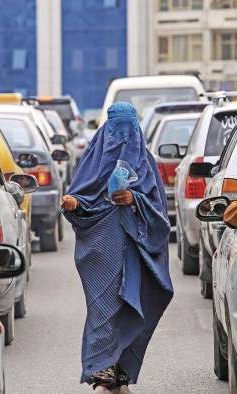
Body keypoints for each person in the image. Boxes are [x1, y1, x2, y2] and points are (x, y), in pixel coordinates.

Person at [61, 102, 174, 393]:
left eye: (128, 128)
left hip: (137, 250)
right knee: (103, 308)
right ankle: (102, 373)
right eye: (116, 128)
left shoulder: (145, 163)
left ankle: (120, 376)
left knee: (132, 308)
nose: (123, 136)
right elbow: (81, 197)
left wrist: (134, 200)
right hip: (101, 249)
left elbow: (160, 213)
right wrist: (74, 203)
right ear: (106, 128)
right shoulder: (93, 160)